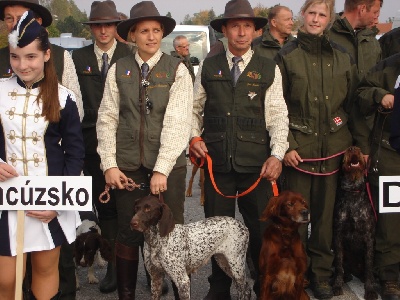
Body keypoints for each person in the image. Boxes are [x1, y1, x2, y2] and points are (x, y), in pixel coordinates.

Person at [190, 0, 289, 298]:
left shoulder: (268, 67)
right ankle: (219, 289)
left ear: (256, 31)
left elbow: (278, 116)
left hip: (257, 167)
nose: (242, 32)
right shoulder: (209, 66)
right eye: (235, 26)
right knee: (216, 235)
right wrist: (194, 138)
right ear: (225, 30)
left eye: (247, 26)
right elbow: (192, 109)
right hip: (217, 163)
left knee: (260, 233)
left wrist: (277, 155)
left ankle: (263, 287)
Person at [96, 1, 193, 298]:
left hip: (168, 169)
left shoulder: (178, 70)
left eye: (156, 30)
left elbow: (178, 124)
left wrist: (162, 169)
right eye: (144, 31)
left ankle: (179, 293)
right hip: (127, 166)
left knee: (170, 234)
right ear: (132, 35)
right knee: (128, 232)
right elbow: (107, 117)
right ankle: (127, 295)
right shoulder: (118, 69)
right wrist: (109, 165)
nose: (151, 36)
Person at [275, 0, 360, 298]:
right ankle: (296, 274)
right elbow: (276, 106)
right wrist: (286, 145)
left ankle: (321, 274)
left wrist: (352, 144)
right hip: (299, 151)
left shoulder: (343, 55)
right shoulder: (286, 56)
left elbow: (350, 103)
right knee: (294, 219)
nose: (315, 18)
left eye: (321, 14)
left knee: (324, 220)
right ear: (302, 15)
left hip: (333, 149)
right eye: (311, 12)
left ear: (329, 18)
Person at [0, 3, 84, 297]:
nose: (23, 65)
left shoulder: (64, 98)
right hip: (4, 199)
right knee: (5, 278)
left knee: (46, 270)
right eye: (15, 57)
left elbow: (75, 154)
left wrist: (59, 202)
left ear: (48, 55)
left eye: (31, 56)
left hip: (47, 199)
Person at [71, 0, 131, 294]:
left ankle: (139, 266)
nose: (103, 30)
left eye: (108, 24)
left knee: (131, 207)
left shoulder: (130, 54)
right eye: (97, 25)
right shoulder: (77, 57)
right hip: (90, 141)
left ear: (116, 26)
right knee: (105, 206)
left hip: (127, 142)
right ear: (91, 28)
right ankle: (113, 268)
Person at [356, 52, 400, 300]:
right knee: (391, 220)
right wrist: (379, 95)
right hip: (391, 153)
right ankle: (389, 277)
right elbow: (360, 94)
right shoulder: (387, 67)